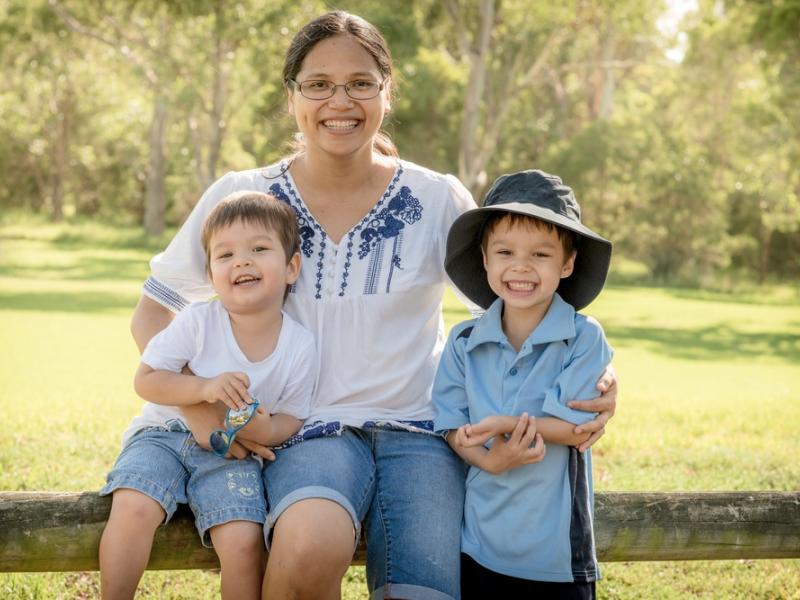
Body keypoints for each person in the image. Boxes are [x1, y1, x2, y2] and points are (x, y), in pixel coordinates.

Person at [129, 11, 617, 600]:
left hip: (421, 431)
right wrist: (204, 410)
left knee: (422, 591)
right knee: (308, 548)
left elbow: (514, 315)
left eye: (361, 82)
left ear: (387, 92)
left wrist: (591, 371)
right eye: (318, 84)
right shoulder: (242, 196)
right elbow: (155, 311)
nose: (341, 100)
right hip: (307, 432)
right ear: (292, 98)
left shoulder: (437, 198)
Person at [99, 192, 317, 600]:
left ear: (291, 267)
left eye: (259, 248)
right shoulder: (198, 321)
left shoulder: (299, 345)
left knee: (243, 539)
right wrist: (202, 388)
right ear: (211, 273)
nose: (242, 261)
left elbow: (293, 416)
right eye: (226, 255)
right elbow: (146, 378)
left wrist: (266, 430)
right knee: (133, 507)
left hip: (231, 452)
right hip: (163, 435)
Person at [433, 170, 614, 599]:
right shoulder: (463, 342)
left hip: (555, 558)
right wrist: (488, 459)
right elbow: (451, 425)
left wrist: (502, 423)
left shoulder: (583, 336)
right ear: (485, 258)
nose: (520, 266)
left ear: (567, 264)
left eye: (540, 254)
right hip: (477, 547)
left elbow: (576, 427)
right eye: (505, 251)